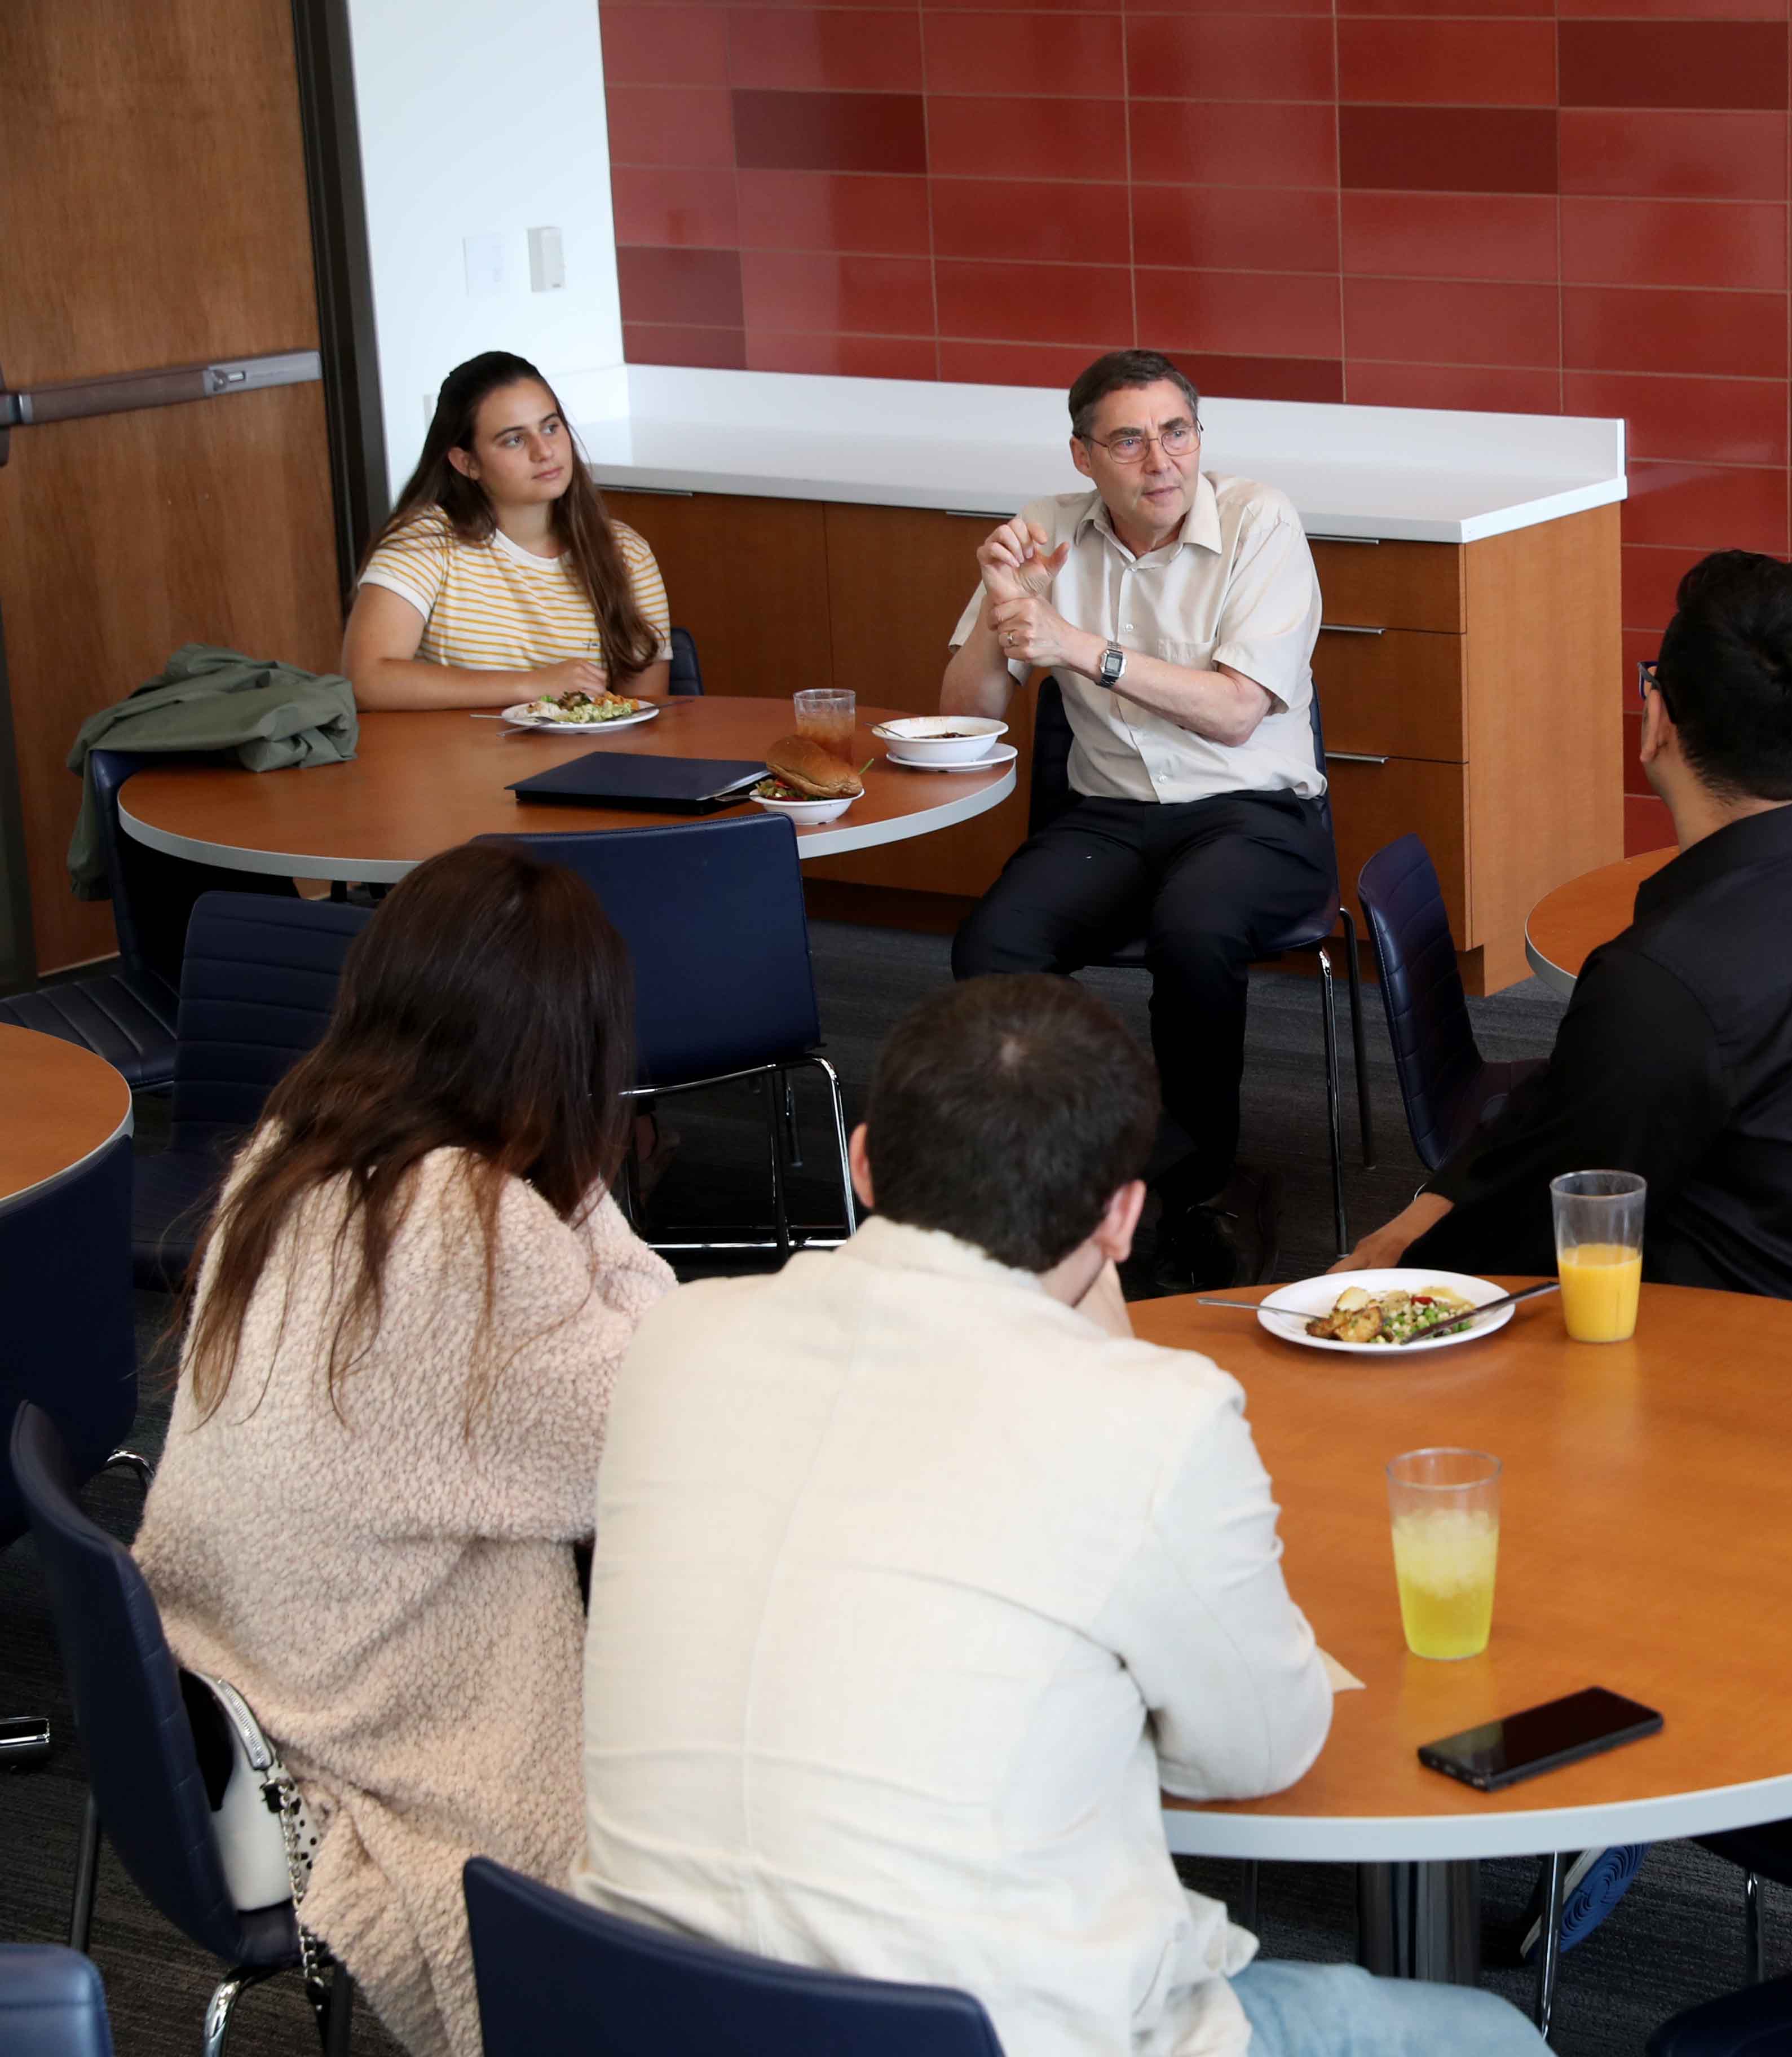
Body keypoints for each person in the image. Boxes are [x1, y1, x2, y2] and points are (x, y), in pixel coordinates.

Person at [577, 975, 1547, 2057]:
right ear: (1125, 1215)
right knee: (1486, 2033)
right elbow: (1262, 1750)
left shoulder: (676, 1339)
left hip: (633, 2012)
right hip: (974, 2036)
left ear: (860, 1161)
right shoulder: (1147, 1418)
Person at [135, 843, 672, 2057]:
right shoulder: (472, 1226)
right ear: (565, 1046)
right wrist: (581, 1198)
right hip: (347, 1725)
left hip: (223, 1672)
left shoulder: (299, 1145)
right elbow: (649, 1419)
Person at [1339, 550, 1792, 1317]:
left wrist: (1392, 1273)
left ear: (1655, 722)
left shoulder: (1660, 984)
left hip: (1724, 1352)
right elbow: (1575, 1105)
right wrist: (1432, 1203)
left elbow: (1544, 1213)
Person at [940, 348, 1328, 1292]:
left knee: (1195, 929)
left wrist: (1080, 646)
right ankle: (1057, 1164)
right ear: (1083, 458)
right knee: (992, 944)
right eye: (1128, 440)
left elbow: (1238, 710)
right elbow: (969, 714)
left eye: (1177, 433)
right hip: (1110, 815)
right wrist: (1006, 606)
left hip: (1252, 813)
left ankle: (1185, 1181)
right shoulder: (1042, 530)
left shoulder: (1258, 520)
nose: (1160, 461)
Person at [342, 351, 673, 710]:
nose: (544, 451)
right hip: (450, 763)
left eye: (551, 427)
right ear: (467, 463)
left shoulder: (627, 552)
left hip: (582, 764)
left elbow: (644, 712)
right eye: (514, 440)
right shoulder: (424, 541)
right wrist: (532, 685)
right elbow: (364, 680)